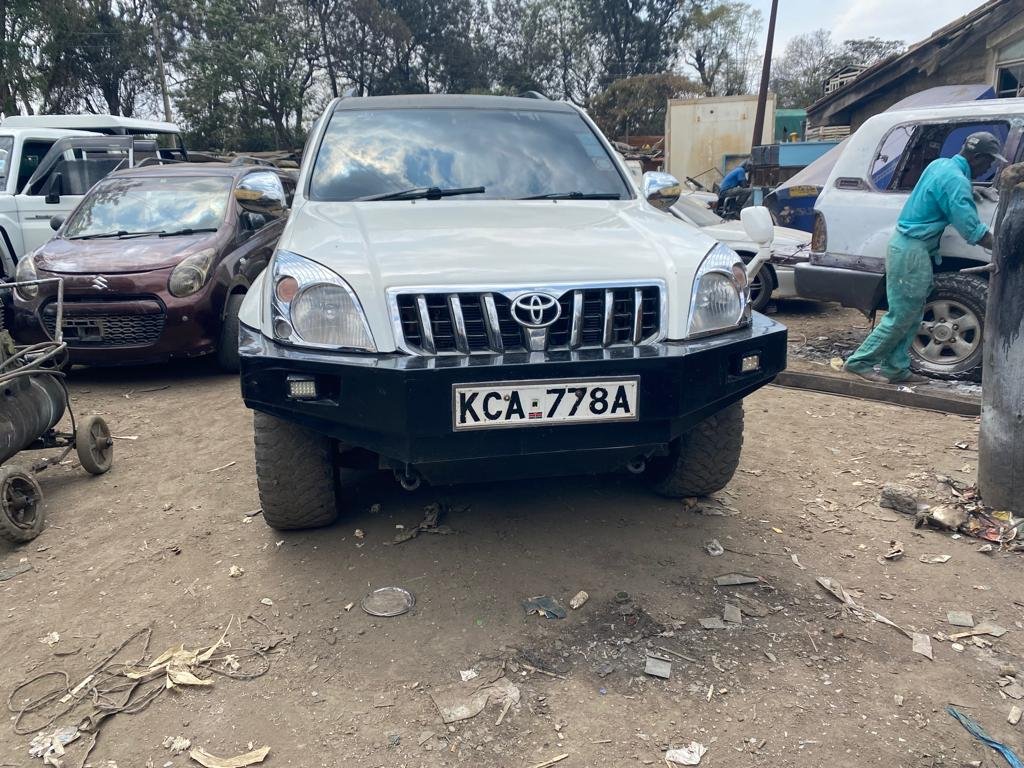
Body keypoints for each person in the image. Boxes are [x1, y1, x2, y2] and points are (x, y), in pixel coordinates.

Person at [844, 132, 1005, 384]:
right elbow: (971, 228)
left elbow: (940, 189)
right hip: (912, 251)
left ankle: (895, 368)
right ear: (978, 157)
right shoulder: (955, 180)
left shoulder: (941, 166)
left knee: (913, 314)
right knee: (902, 315)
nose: (990, 167)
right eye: (989, 162)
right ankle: (860, 362)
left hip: (909, 247)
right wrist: (1004, 246)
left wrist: (968, 190)